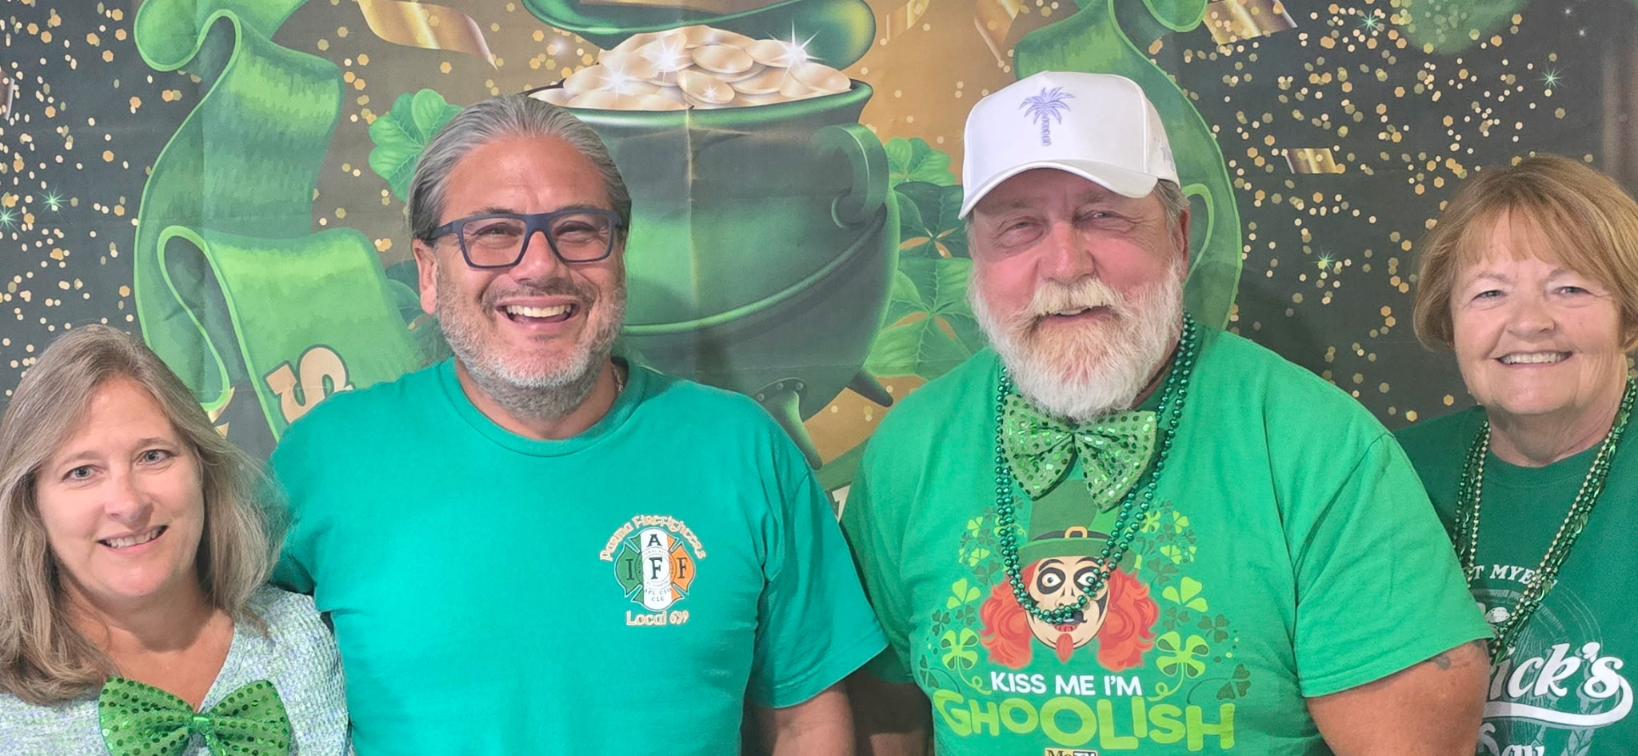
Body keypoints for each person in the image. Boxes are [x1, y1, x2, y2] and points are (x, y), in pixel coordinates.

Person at [841, 70, 1493, 755]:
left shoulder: (1321, 448)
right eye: (1018, 227)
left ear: (1179, 236)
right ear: (976, 254)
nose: (1064, 264)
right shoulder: (909, 448)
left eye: (1102, 215)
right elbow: (884, 719)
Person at [268, 93, 886, 755]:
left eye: (579, 230)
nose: (539, 265)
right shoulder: (325, 459)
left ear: (619, 254)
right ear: (428, 273)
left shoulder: (743, 449)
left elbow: (804, 719)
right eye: (493, 232)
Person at [0, 325, 347, 755]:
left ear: (203, 469)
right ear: (31, 504)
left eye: (152, 456)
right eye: (82, 472)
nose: (127, 504)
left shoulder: (307, 638)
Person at [1397, 155, 1638, 755]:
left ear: (1628, 318)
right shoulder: (1391, 473)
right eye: (1490, 293)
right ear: (1450, 319)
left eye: (1569, 288)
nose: (1528, 322)